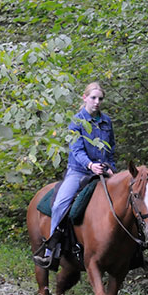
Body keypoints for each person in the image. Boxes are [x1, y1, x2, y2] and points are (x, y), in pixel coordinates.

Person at [33, 82, 116, 268]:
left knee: (128, 197)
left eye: (100, 99)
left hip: (103, 169)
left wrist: (110, 167)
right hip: (79, 171)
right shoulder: (77, 121)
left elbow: (111, 149)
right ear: (85, 98)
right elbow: (77, 150)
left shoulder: (107, 122)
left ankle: (137, 250)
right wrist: (90, 165)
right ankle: (51, 250)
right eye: (93, 98)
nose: (97, 102)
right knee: (59, 205)